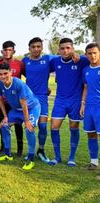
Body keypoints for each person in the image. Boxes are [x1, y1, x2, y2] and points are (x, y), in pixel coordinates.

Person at [48, 38, 89, 167]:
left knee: (74, 128)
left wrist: (79, 55)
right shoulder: (54, 61)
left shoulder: (81, 60)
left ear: (72, 48)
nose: (65, 51)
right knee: (54, 127)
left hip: (75, 100)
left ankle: (71, 158)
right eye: (62, 48)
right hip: (60, 100)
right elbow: (41, 70)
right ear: (58, 50)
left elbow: (95, 59)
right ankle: (57, 157)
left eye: (68, 48)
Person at [0, 62, 41, 170]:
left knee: (29, 129)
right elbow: (0, 99)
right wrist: (5, 116)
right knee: (4, 125)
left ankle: (30, 159)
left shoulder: (18, 83)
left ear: (10, 72)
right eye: (0, 74)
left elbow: (24, 103)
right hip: (16, 110)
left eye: (5, 73)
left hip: (31, 108)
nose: (3, 76)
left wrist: (27, 121)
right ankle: (7, 154)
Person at [21, 37, 53, 163]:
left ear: (42, 48)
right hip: (29, 98)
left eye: (38, 46)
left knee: (43, 126)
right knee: (30, 126)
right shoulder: (25, 61)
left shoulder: (48, 59)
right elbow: (24, 73)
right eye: (33, 47)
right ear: (29, 48)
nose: (36, 49)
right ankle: (30, 152)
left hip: (42, 97)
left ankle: (41, 150)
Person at [0, 41, 25, 156]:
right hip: (2, 99)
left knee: (18, 124)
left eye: (10, 50)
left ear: (14, 51)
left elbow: (28, 78)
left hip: (16, 101)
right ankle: (4, 147)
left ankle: (19, 149)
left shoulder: (20, 64)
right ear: (2, 51)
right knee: (3, 123)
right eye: (5, 50)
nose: (7, 52)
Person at [81, 42, 100, 170]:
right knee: (91, 134)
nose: (92, 56)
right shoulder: (86, 70)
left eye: (95, 53)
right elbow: (86, 88)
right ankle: (94, 162)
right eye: (90, 53)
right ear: (86, 55)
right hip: (89, 107)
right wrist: (83, 104)